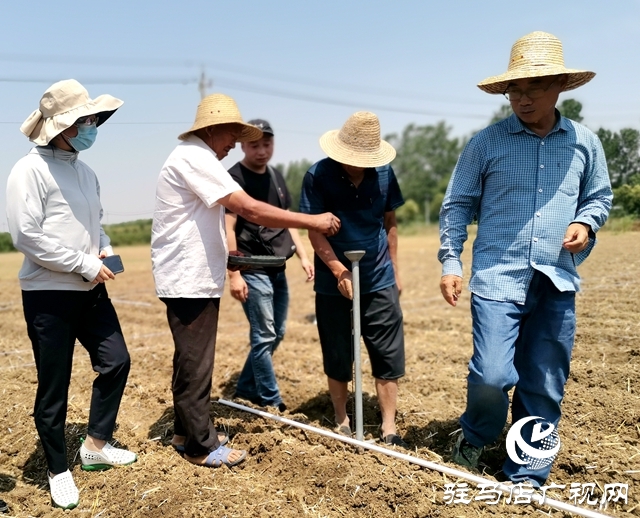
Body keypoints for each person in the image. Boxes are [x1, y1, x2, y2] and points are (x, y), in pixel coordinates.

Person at [438, 32, 613, 486]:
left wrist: (586, 224)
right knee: (493, 374)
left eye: (534, 88)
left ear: (559, 87)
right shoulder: (487, 143)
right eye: (515, 89)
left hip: (556, 278)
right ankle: (476, 435)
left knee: (544, 383)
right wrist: (451, 260)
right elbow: (457, 204)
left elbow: (598, 197)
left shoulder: (584, 143)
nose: (523, 97)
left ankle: (527, 473)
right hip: (499, 276)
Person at [151, 94, 340, 470]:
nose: (234, 145)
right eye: (232, 136)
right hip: (188, 277)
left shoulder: (196, 157)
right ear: (212, 129)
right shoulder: (195, 157)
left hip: (191, 274)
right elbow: (248, 208)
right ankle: (201, 446)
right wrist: (313, 220)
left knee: (189, 359)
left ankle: (184, 431)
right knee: (196, 362)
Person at [6, 79, 137, 510]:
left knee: (116, 360)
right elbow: (27, 236)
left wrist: (106, 249)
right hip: (50, 294)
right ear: (60, 126)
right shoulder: (30, 170)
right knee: (54, 386)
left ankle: (95, 444)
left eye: (95, 119)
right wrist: (84, 264)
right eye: (86, 120)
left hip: (90, 289)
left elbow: (94, 224)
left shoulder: (85, 171)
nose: (93, 126)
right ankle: (58, 469)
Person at [299, 111, 407, 446]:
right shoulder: (318, 175)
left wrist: (395, 269)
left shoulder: (385, 174)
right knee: (337, 351)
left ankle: (388, 427)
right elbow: (314, 231)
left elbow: (389, 222)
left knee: (387, 352)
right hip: (334, 282)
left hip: (378, 277)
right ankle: (342, 419)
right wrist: (337, 270)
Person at [225, 119, 314, 411]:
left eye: (267, 144)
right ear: (242, 145)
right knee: (263, 335)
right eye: (254, 145)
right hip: (251, 269)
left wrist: (303, 254)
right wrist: (234, 272)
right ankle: (271, 400)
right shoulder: (233, 178)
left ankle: (245, 387)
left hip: (277, 267)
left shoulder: (275, 176)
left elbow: (286, 219)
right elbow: (227, 227)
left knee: (278, 333)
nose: (262, 151)